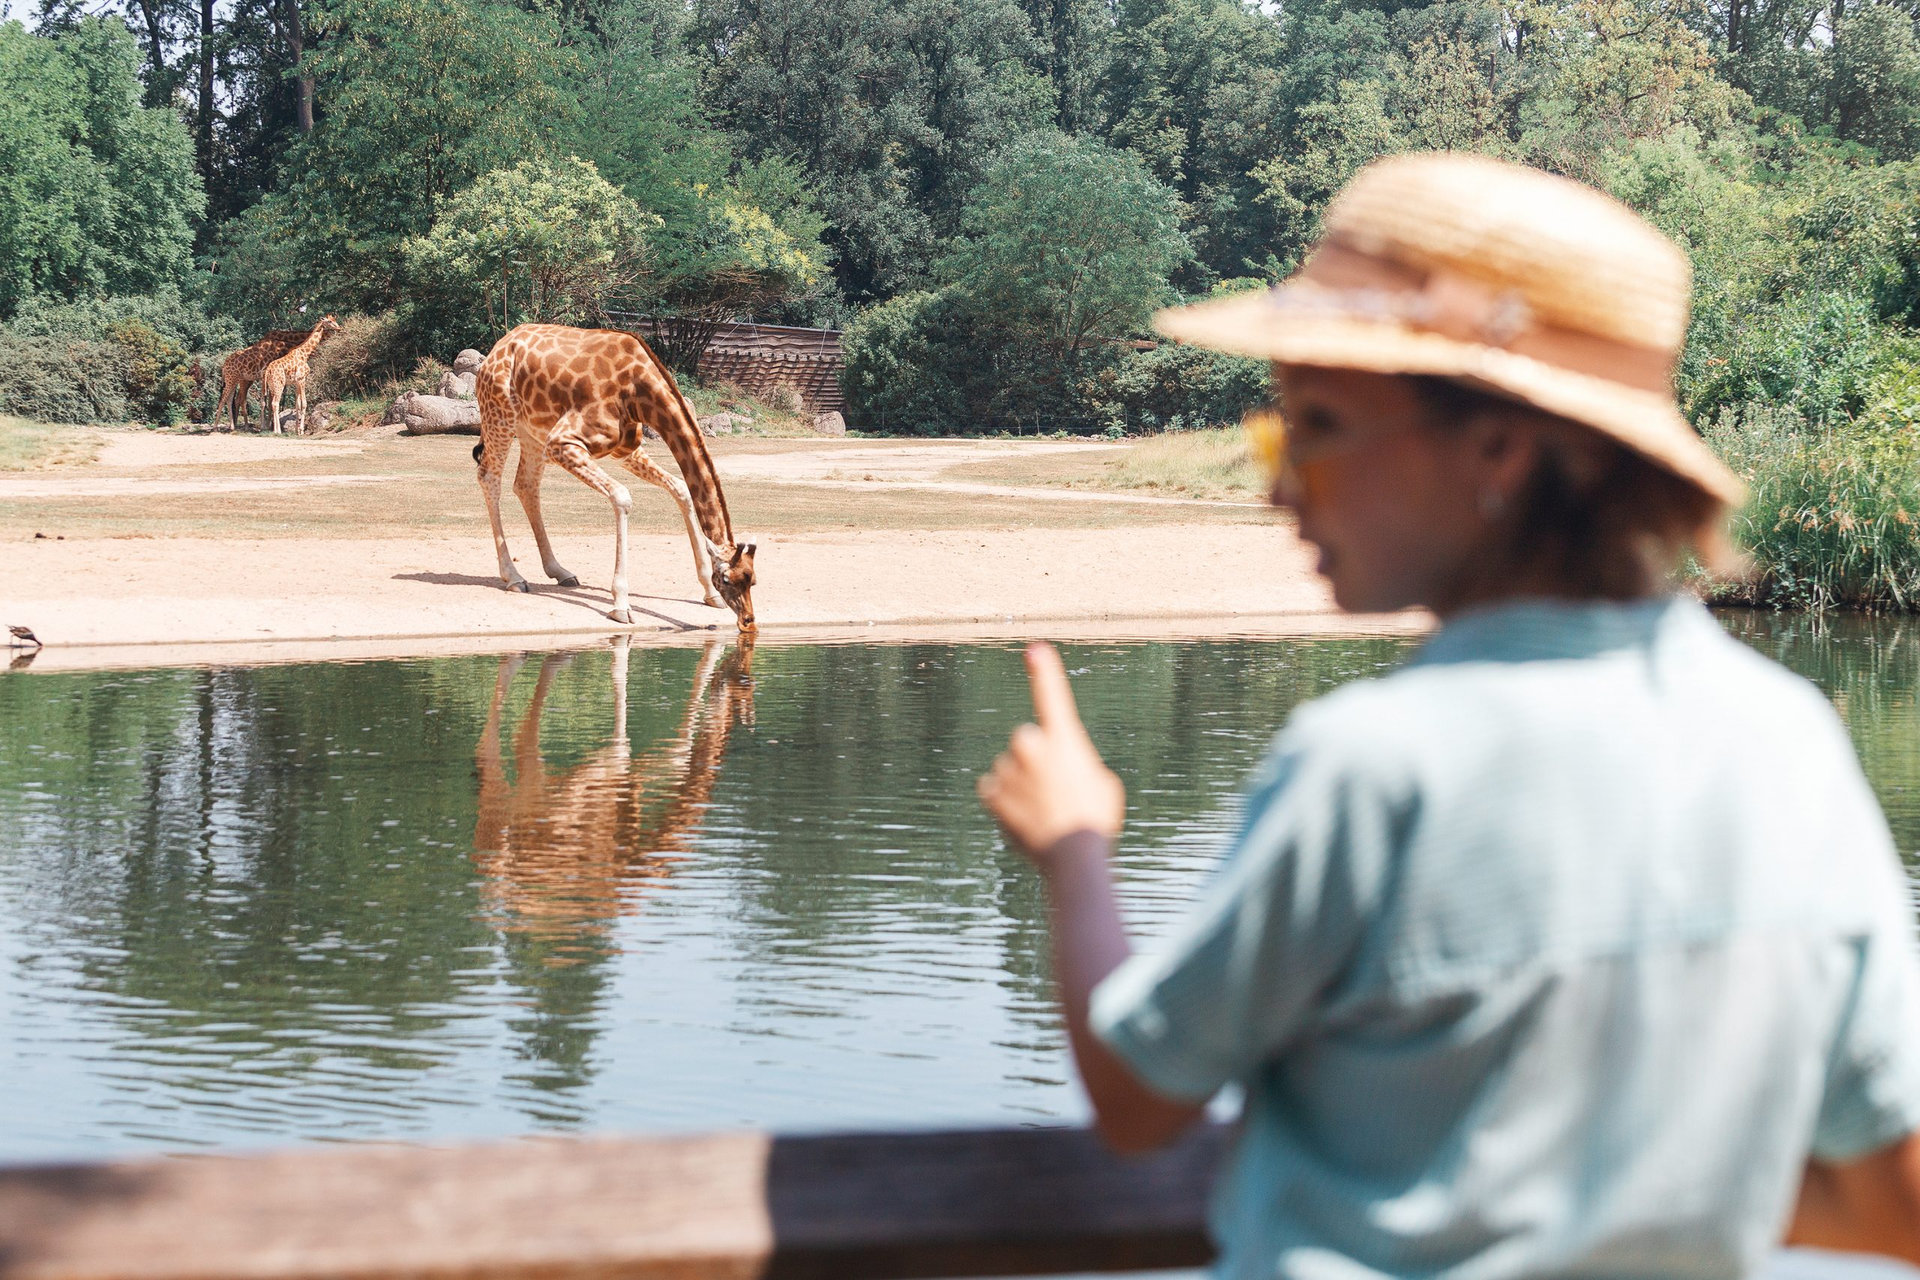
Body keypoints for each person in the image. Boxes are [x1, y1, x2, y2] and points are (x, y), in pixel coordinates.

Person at [977, 152, 1920, 1279]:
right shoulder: (1790, 742)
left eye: (1316, 424)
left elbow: (1141, 1099)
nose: (1279, 485)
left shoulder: (1372, 766)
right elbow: (1895, 1195)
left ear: (1499, 449)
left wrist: (1077, 848)